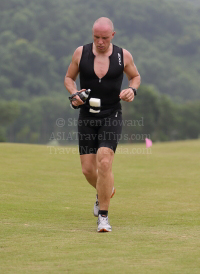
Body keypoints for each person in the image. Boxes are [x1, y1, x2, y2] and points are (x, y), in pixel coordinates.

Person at [64, 17, 141, 232]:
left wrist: (132, 90)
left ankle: (104, 217)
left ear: (113, 36)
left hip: (111, 114)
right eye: (96, 37)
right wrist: (74, 93)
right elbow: (69, 78)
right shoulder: (81, 53)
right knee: (88, 170)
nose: (100, 42)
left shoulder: (122, 55)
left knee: (104, 162)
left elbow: (135, 77)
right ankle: (105, 190)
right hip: (87, 116)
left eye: (104, 38)